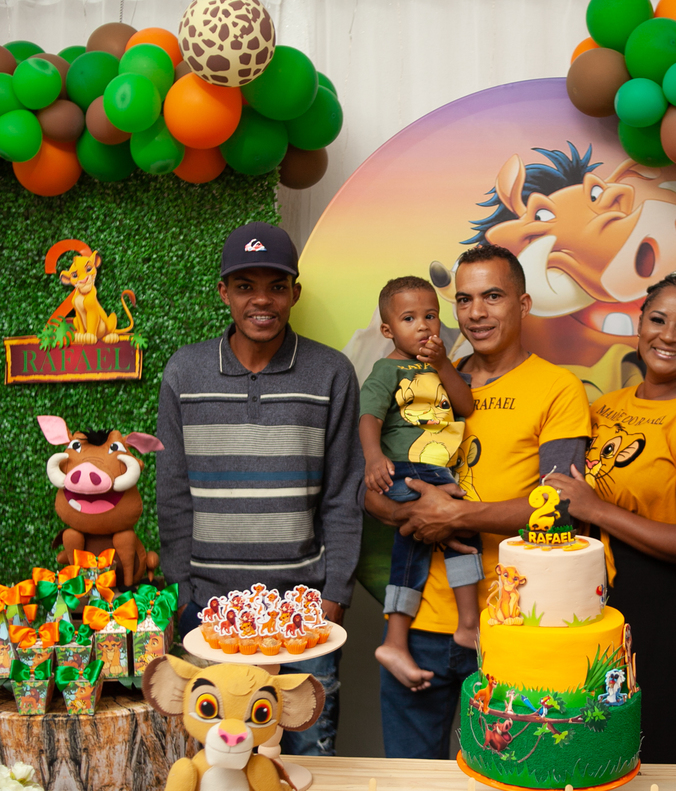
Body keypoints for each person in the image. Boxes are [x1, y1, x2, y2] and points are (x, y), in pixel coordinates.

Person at [365, 244, 591, 759]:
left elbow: (562, 507)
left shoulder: (557, 388)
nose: (476, 313)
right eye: (464, 300)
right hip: (419, 621)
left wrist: (457, 515)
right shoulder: (426, 376)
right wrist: (411, 513)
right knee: (409, 781)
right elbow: (371, 490)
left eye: (493, 296)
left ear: (523, 304)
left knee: (507, 775)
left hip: (510, 624)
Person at [156, 221, 364, 756]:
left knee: (307, 766)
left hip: (304, 616)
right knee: (217, 765)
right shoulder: (185, 371)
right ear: (224, 293)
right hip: (210, 614)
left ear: (295, 292)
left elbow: (344, 493)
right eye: (245, 286)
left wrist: (334, 596)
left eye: (276, 285)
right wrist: (182, 592)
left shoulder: (331, 373)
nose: (262, 300)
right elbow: (173, 492)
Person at [546, 268, 676, 764]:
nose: (668, 336)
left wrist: (596, 508)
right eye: (658, 320)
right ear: (639, 325)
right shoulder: (605, 407)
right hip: (599, 601)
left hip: (667, 611)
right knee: (592, 753)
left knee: (658, 752)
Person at [359, 276, 482, 692]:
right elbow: (369, 416)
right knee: (457, 526)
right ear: (388, 330)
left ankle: (401, 639)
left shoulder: (439, 367)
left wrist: (444, 365)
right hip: (409, 468)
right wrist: (373, 458)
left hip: (436, 471)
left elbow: (465, 406)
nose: (424, 326)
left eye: (430, 316)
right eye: (409, 319)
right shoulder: (387, 370)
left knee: (420, 544)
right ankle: (464, 625)